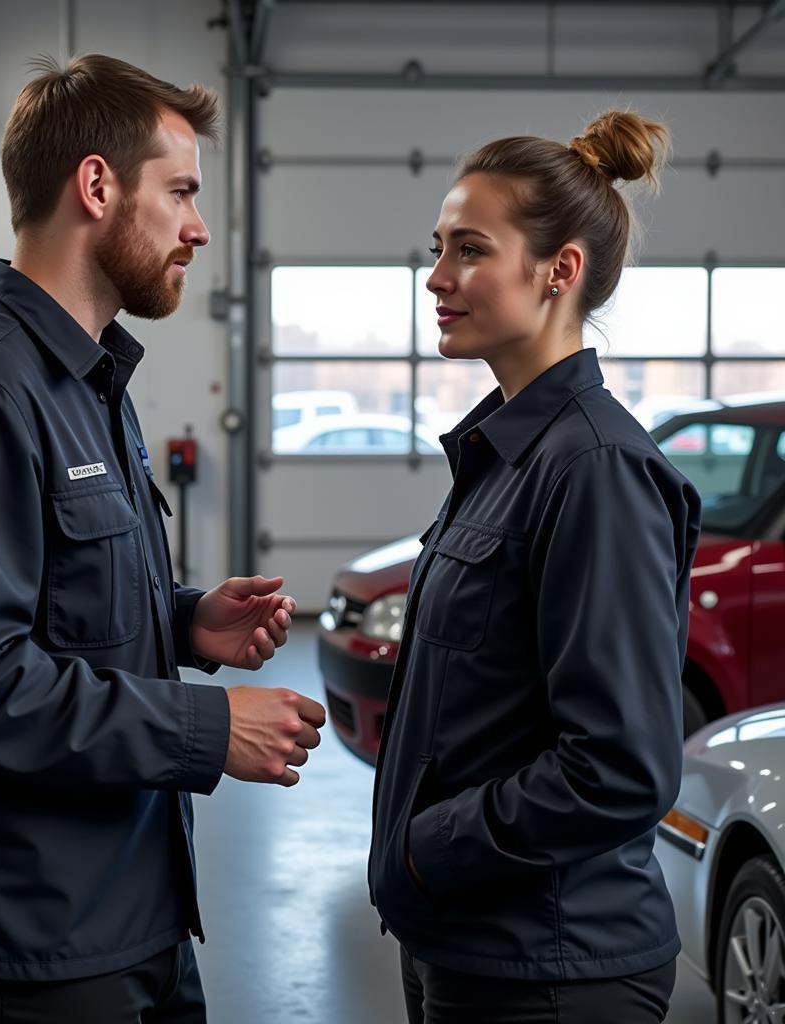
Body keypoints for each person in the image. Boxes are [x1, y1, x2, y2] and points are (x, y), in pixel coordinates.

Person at [0, 54, 325, 1024]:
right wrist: (208, 729)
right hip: (25, 953)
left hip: (132, 920)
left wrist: (186, 619)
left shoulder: (86, 382)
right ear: (98, 185)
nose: (199, 227)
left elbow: (53, 606)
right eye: (182, 192)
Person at [367, 111, 702, 1023]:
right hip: (467, 941)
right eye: (438, 249)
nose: (437, 278)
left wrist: (425, 847)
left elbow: (620, 767)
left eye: (469, 250)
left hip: (551, 971)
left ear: (561, 270)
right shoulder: (514, 456)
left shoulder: (594, 470)